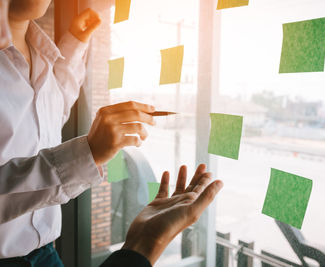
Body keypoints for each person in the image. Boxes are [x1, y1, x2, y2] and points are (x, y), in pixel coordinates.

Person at [0, 0, 223, 266]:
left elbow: (48, 111)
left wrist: (76, 40)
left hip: (48, 254)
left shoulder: (41, 54)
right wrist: (86, 153)